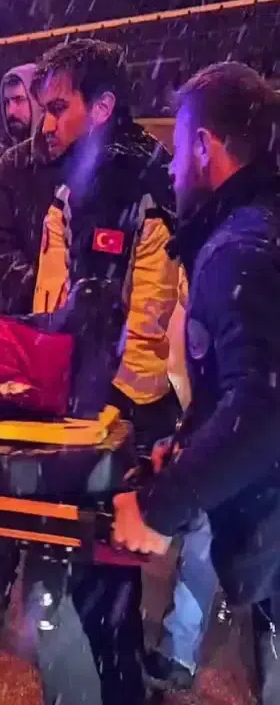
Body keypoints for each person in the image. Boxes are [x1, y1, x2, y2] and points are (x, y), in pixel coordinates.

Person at [0, 39, 182, 705]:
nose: (45, 122)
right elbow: (52, 305)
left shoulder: (150, 186)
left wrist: (108, 441)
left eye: (59, 107)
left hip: (116, 429)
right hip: (77, 421)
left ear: (103, 107)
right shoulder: (70, 185)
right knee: (68, 598)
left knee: (94, 602)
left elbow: (149, 335)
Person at [114, 61, 280, 703]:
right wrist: (186, 445)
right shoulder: (259, 226)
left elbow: (263, 403)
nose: (175, 167)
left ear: (205, 147)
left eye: (181, 147)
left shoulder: (240, 247)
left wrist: (162, 508)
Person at [0, 64, 40, 156]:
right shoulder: (5, 158)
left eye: (19, 100)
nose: (10, 111)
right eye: (6, 102)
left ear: (37, 101)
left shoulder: (61, 159)